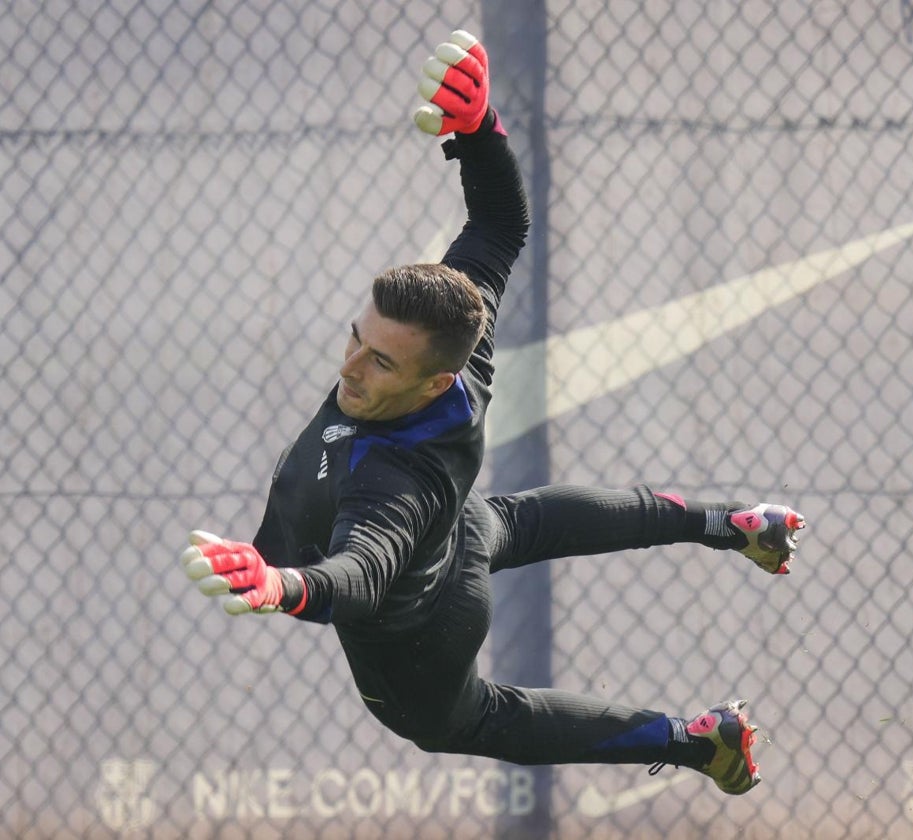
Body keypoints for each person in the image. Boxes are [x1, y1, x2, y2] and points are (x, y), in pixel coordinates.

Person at [180, 29, 805, 796]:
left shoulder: (391, 486)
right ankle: (732, 524)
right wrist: (480, 134)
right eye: (356, 337)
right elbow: (499, 228)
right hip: (459, 531)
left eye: (380, 361)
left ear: (432, 384)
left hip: (419, 640)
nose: (350, 366)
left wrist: (284, 585)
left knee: (475, 719)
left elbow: (364, 570)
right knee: (515, 523)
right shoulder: (456, 347)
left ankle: (701, 744)